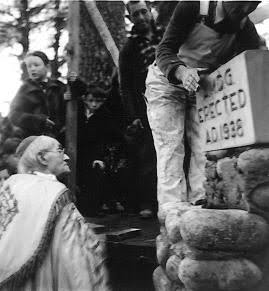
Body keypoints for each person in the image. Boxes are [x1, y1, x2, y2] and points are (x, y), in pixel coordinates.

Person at [145, 1, 262, 207]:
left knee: (204, 148)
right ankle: (172, 211)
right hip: (166, 83)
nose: (246, 9)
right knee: (170, 148)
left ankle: (200, 205)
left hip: (203, 86)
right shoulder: (192, 6)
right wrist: (181, 72)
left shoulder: (244, 26)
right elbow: (164, 50)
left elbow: (255, 60)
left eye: (254, 3)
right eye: (242, 2)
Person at [0, 135, 110, 290]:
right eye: (59, 150)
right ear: (42, 157)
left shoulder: (9, 187)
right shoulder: (54, 196)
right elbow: (77, 259)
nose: (66, 157)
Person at [119, 0, 163, 218]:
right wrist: (132, 116)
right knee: (148, 154)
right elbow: (125, 85)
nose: (142, 17)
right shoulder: (129, 48)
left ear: (151, 12)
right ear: (130, 18)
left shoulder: (165, 33)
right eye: (136, 14)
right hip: (147, 105)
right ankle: (147, 202)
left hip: (176, 98)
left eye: (144, 12)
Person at [76, 86, 127, 216]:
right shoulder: (76, 110)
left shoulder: (104, 115)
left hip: (94, 152)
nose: (94, 104)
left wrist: (99, 157)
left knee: (94, 178)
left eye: (98, 101)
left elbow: (105, 140)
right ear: (84, 99)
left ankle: (91, 209)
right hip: (77, 150)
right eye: (91, 100)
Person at [8, 51, 66, 142]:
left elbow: (71, 109)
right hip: (32, 141)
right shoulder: (25, 89)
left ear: (47, 67)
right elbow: (14, 115)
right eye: (29, 66)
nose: (32, 69)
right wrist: (39, 121)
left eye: (36, 65)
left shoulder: (59, 87)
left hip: (58, 141)